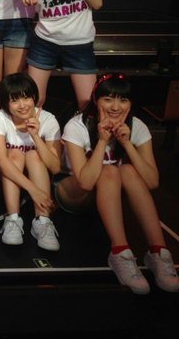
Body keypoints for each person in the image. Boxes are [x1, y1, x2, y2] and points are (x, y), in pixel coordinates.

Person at [59, 73, 179, 294]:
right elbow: (85, 182)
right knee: (109, 171)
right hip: (74, 193)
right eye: (108, 99)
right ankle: (119, 252)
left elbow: (152, 181)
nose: (115, 107)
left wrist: (127, 144)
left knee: (129, 170)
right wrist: (102, 141)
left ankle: (158, 252)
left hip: (111, 195)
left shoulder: (137, 126)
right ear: (96, 100)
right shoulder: (77, 126)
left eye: (123, 100)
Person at [0, 73, 62, 251]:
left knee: (33, 155)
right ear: (6, 103)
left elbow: (55, 167)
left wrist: (35, 136)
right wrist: (33, 190)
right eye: (14, 100)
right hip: (5, 175)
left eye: (26, 98)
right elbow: (1, 161)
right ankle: (13, 219)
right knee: (14, 154)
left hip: (37, 174)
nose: (22, 105)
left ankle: (42, 220)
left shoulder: (48, 119)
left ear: (34, 97)